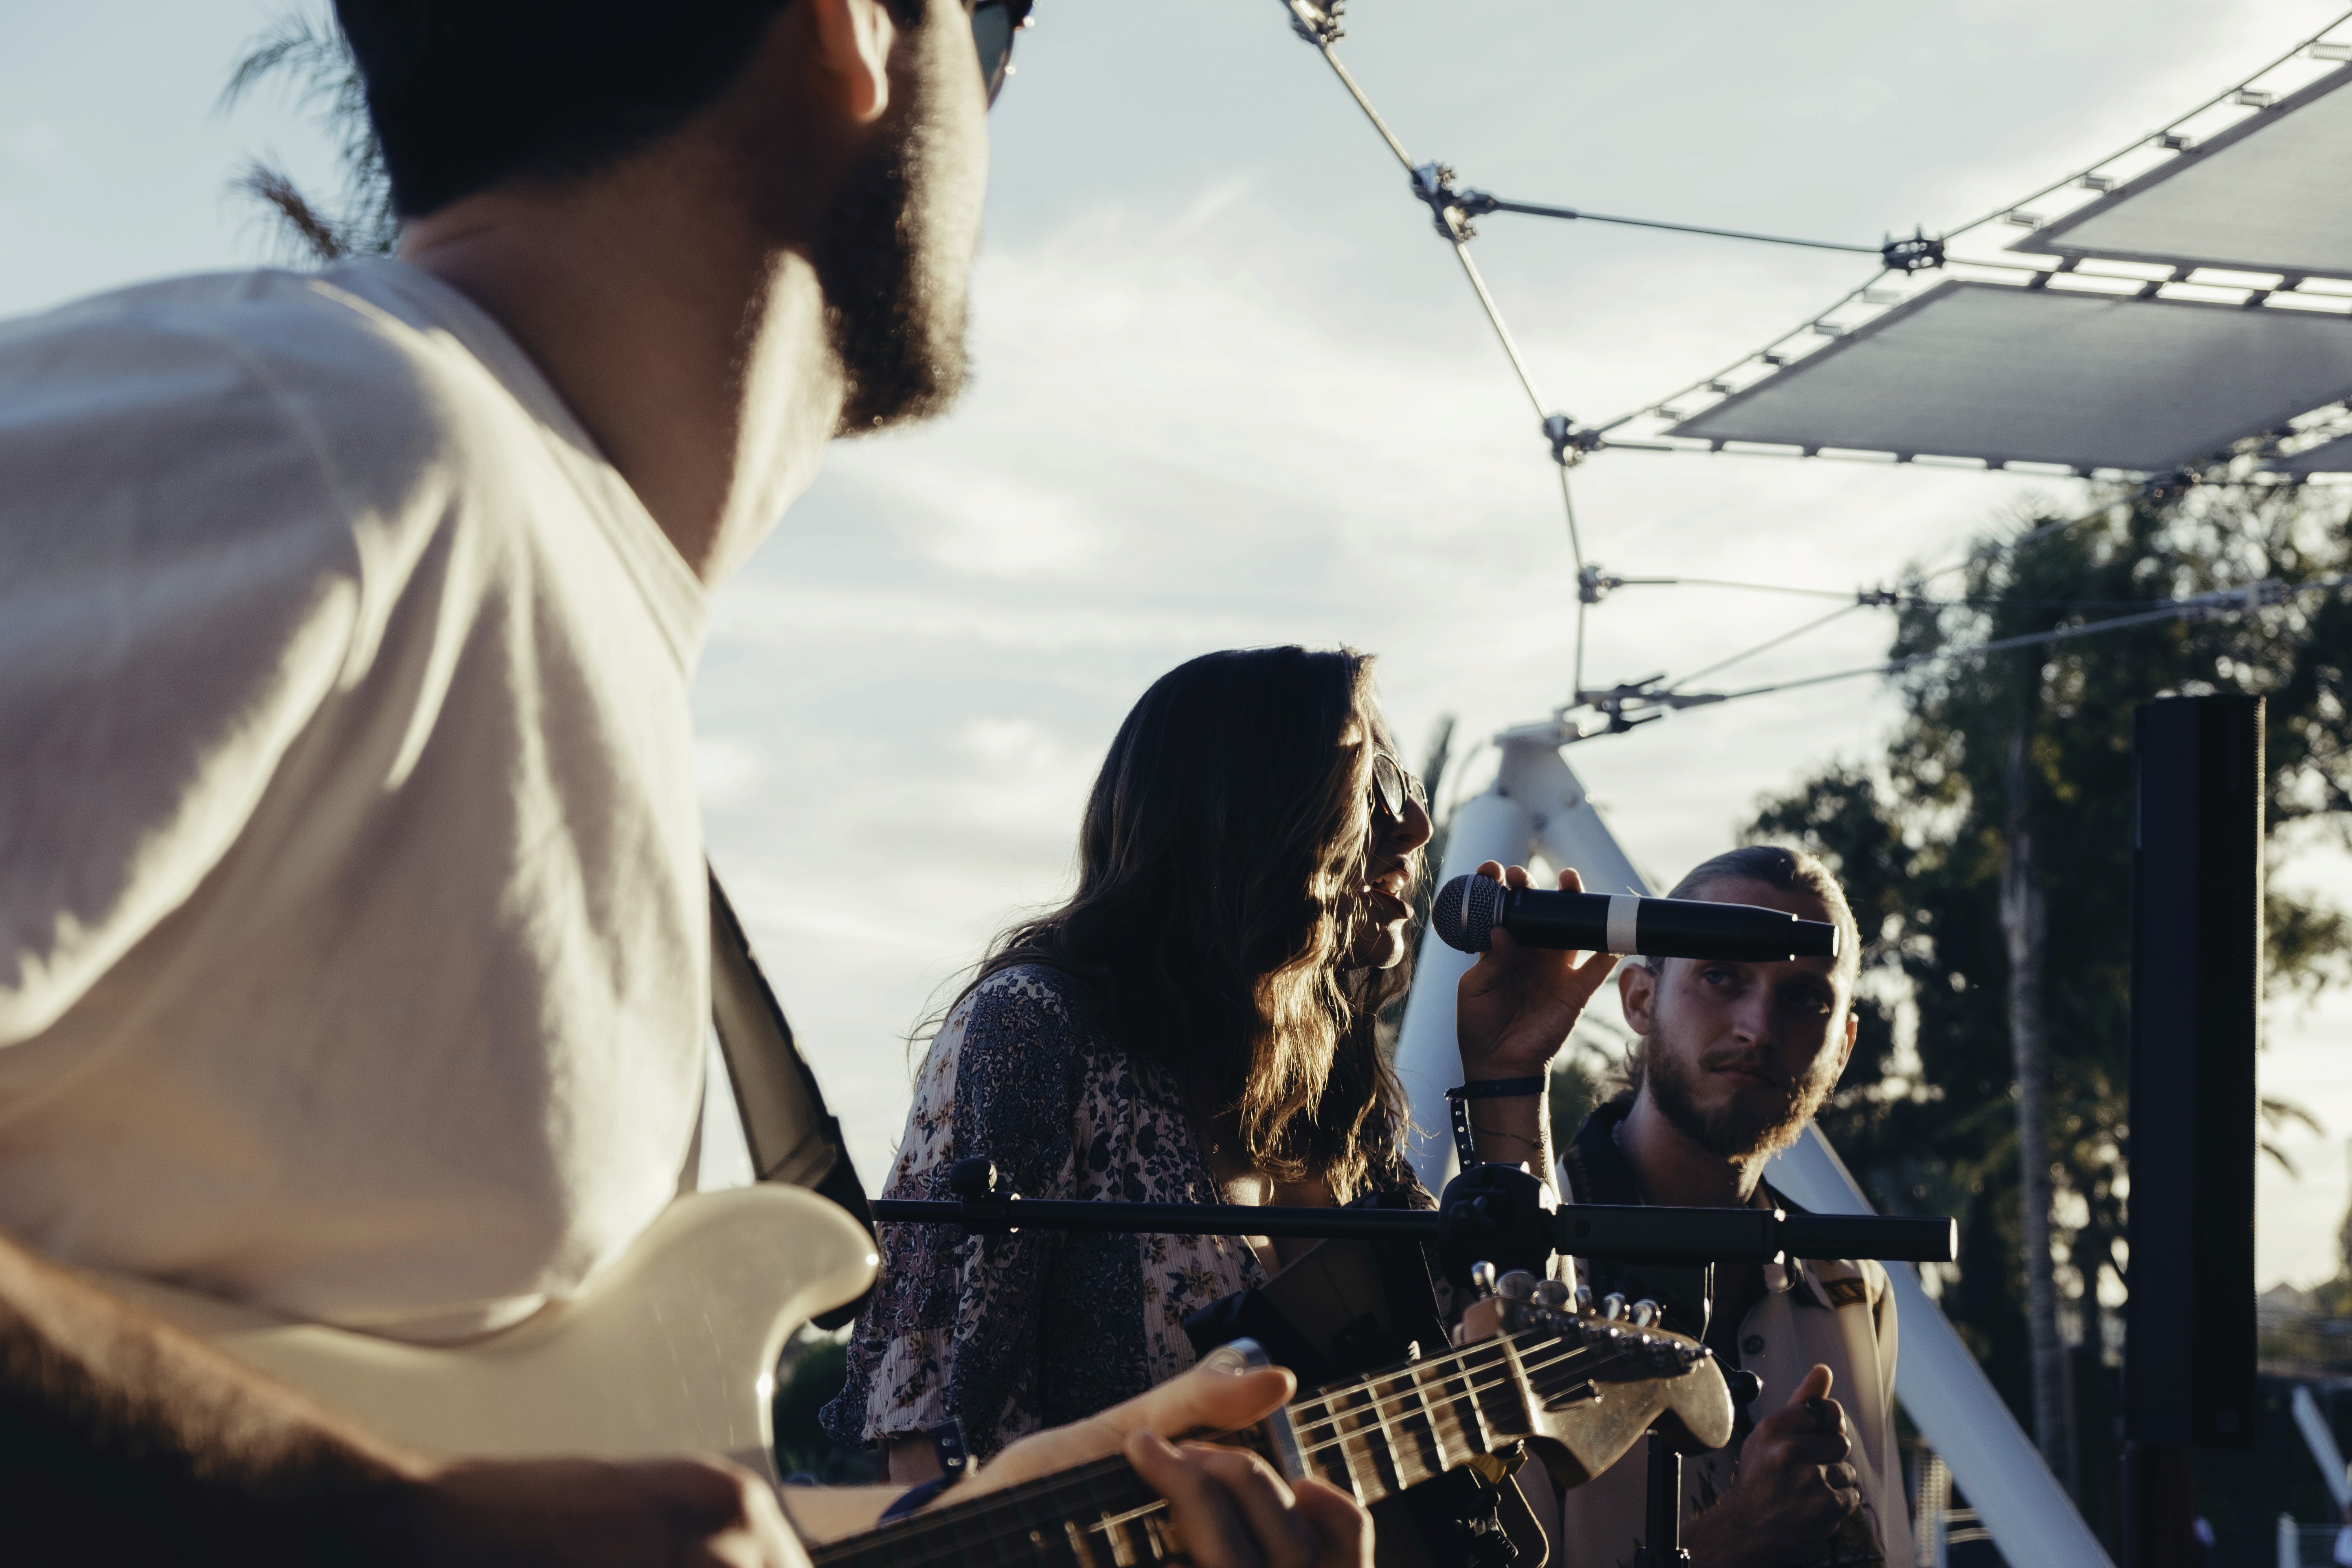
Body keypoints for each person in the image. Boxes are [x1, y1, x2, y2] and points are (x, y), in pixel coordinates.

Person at [0, 2, 1368, 1563]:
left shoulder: (524, 564)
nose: (995, 101)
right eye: (996, 25)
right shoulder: (335, 439)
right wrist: (393, 1517)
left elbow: (603, 1498)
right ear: (855, 29)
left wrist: (1006, 1508)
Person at [827, 647, 1448, 1471]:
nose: (1414, 826)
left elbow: (1487, 1383)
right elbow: (929, 1441)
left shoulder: (1330, 1086)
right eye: (1372, 783)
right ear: (1248, 806)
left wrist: (1512, 1074)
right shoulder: (1039, 1029)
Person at [1509, 845, 1911, 1568]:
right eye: (1722, 976)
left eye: (1807, 997)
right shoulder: (1512, 1269)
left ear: (1843, 1046)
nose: (1759, 1026)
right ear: (1639, 999)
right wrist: (1737, 1537)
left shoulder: (1851, 1285)